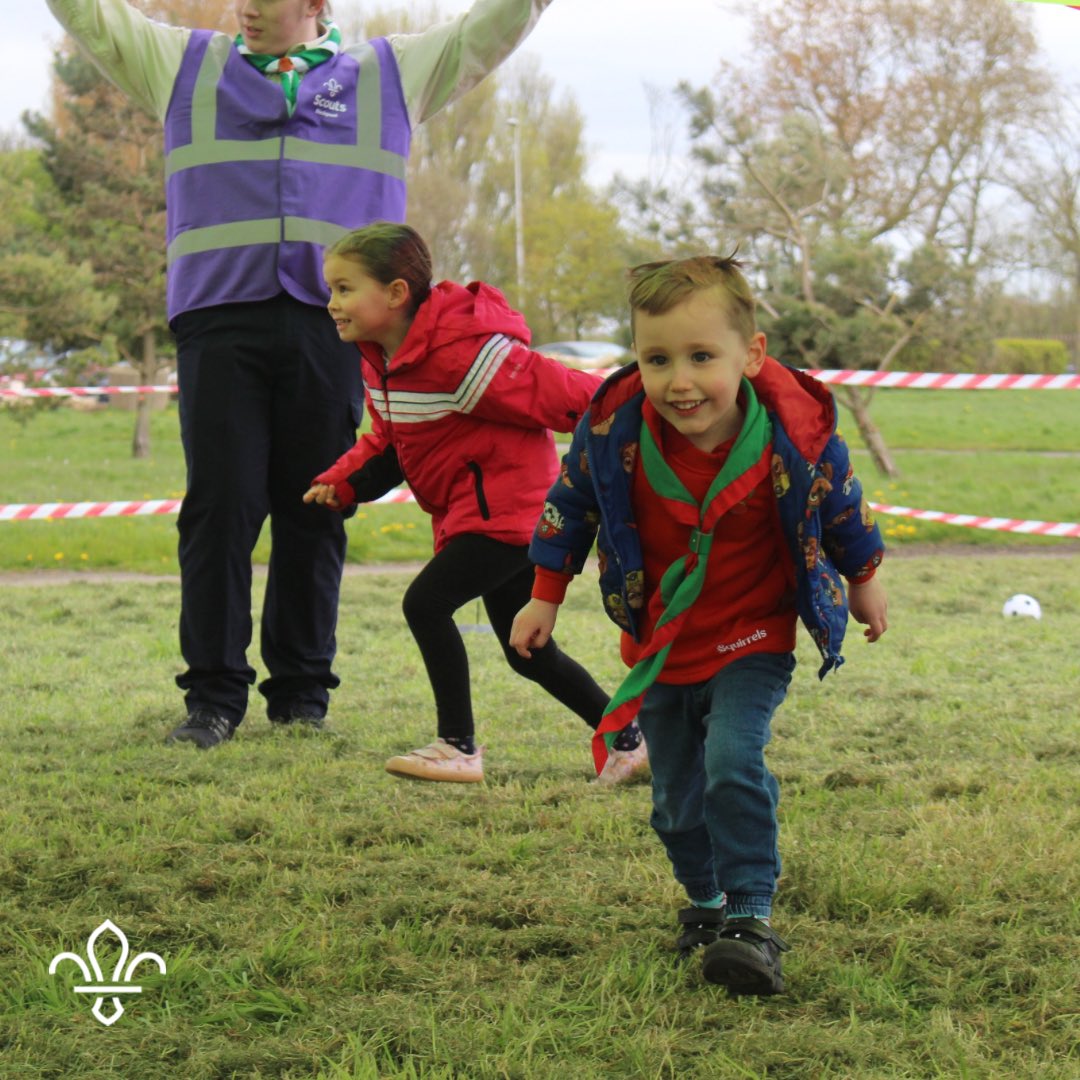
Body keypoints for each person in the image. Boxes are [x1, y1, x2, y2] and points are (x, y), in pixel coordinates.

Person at [45, 0, 558, 749]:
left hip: (336, 326)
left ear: (316, 5)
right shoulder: (182, 65)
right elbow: (89, 16)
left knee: (319, 504)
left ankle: (301, 695)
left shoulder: (391, 72)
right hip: (220, 318)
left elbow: (491, 28)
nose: (245, 9)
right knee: (220, 508)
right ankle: (213, 698)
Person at [510, 255, 888, 995]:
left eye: (701, 357)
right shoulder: (612, 434)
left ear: (751, 356)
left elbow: (841, 505)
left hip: (754, 636)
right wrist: (543, 593)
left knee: (732, 765)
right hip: (661, 648)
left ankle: (751, 917)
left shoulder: (796, 435)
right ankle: (705, 906)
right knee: (675, 802)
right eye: (658, 359)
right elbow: (571, 506)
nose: (679, 381)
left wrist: (865, 581)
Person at [304, 222, 649, 785]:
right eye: (331, 290)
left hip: (513, 515)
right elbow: (392, 440)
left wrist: (657, 403)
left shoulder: (468, 357)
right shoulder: (384, 361)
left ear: (394, 294)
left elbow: (574, 398)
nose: (331, 303)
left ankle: (458, 746)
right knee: (527, 651)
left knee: (426, 603)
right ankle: (630, 744)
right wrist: (341, 484)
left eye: (344, 289)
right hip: (473, 515)